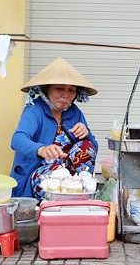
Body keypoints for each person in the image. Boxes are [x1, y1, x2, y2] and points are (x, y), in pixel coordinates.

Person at [10, 57, 98, 199]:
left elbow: (92, 148)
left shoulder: (74, 112)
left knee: (86, 146)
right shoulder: (34, 111)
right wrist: (41, 149)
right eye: (59, 89)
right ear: (46, 90)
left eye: (71, 90)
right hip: (37, 175)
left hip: (70, 176)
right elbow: (17, 140)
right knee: (55, 178)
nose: (66, 95)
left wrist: (86, 133)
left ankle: (79, 196)